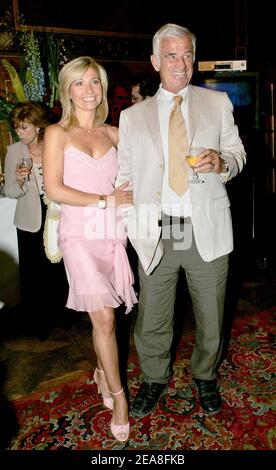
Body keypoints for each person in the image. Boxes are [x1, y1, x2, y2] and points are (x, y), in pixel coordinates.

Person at [116, 23, 246, 417]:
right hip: (157, 229)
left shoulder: (217, 102)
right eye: (171, 55)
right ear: (156, 62)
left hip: (206, 225)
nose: (181, 62)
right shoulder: (132, 117)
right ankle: (154, 378)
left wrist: (222, 162)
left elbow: (237, 154)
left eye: (187, 54)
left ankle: (205, 374)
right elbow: (125, 177)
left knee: (212, 315)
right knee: (153, 316)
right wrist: (128, 223)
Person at [43, 56, 137, 442]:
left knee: (109, 316)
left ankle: (103, 371)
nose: (88, 90)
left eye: (94, 82)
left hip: (113, 234)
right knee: (104, 319)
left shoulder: (115, 133)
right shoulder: (56, 134)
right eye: (79, 83)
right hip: (79, 234)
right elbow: (55, 189)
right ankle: (119, 398)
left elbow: (141, 172)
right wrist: (105, 200)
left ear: (102, 88)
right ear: (68, 90)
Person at [4, 101, 69, 340]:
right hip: (30, 220)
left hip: (58, 214)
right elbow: (10, 191)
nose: (19, 133)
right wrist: (20, 181)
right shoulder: (14, 152)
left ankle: (63, 315)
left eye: (24, 128)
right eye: (17, 128)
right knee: (33, 274)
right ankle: (37, 323)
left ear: (39, 127)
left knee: (59, 268)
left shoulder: (56, 145)